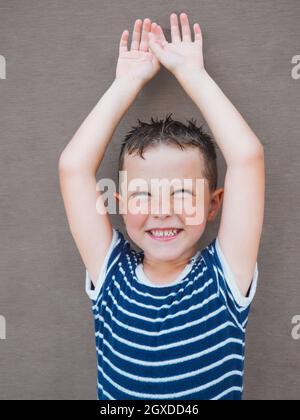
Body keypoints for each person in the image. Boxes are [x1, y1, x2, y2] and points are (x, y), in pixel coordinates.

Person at [58, 12, 265, 400]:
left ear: (213, 204)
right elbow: (73, 167)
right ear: (118, 206)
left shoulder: (225, 279)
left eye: (183, 194)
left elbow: (247, 157)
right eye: (143, 196)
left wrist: (193, 74)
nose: (162, 210)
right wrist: (126, 84)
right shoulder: (111, 275)